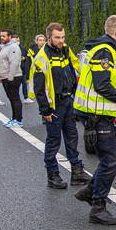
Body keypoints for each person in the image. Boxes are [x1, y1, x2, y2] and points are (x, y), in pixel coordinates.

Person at [72, 15, 116, 225]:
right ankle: (97, 207)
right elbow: (102, 85)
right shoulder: (104, 52)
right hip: (97, 115)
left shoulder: (110, 51)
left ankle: (90, 191)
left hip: (105, 114)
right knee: (110, 159)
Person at [32, 22, 88, 189]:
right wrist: (45, 110)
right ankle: (53, 175)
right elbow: (39, 88)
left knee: (72, 137)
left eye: (63, 37)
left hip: (68, 101)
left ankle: (77, 172)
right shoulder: (42, 57)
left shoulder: (65, 50)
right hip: (54, 105)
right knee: (53, 141)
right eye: (57, 37)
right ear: (49, 37)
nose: (61, 40)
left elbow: (78, 68)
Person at [0, 30, 24, 127]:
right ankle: (14, 118)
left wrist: (10, 77)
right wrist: (1, 76)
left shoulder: (13, 47)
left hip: (13, 77)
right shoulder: (6, 47)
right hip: (6, 77)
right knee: (12, 99)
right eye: (1, 36)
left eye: (4, 36)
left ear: (10, 36)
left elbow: (14, 63)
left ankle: (18, 120)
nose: (2, 38)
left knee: (15, 98)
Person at [24, 34, 45, 104]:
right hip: (35, 73)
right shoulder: (32, 50)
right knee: (38, 92)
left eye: (43, 40)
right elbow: (28, 63)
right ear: (36, 41)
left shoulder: (47, 49)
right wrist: (27, 77)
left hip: (45, 73)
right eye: (40, 40)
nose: (42, 42)